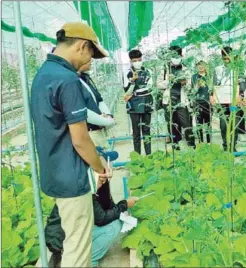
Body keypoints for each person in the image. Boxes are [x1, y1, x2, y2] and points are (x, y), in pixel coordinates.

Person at [30, 22, 111, 267]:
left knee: (68, 232)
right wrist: (99, 168)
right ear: (81, 45)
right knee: (77, 247)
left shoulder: (43, 74)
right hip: (71, 176)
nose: (90, 60)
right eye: (91, 54)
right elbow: (80, 138)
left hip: (53, 171)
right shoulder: (68, 79)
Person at [45, 167, 139, 267]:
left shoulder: (88, 187)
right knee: (114, 226)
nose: (106, 178)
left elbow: (108, 209)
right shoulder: (83, 191)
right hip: (61, 241)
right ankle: (91, 260)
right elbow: (102, 219)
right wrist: (124, 204)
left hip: (71, 232)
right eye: (102, 177)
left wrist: (122, 206)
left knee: (117, 218)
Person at [213, 46, 246, 151]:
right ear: (222, 58)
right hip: (222, 103)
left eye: (229, 58)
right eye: (225, 58)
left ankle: (233, 146)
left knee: (234, 124)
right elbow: (214, 85)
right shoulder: (217, 70)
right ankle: (226, 145)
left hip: (234, 103)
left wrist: (240, 95)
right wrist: (213, 96)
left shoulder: (239, 68)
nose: (227, 60)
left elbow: (243, 83)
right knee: (223, 124)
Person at [162, 46, 195, 149]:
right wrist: (169, 81)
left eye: (177, 55)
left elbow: (190, 86)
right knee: (172, 125)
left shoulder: (186, 68)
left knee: (186, 124)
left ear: (181, 56)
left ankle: (191, 146)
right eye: (173, 55)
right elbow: (158, 84)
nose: (175, 57)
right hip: (168, 101)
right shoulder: (164, 69)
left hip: (182, 100)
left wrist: (185, 83)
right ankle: (176, 147)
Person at [77, 61, 115, 148]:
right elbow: (80, 110)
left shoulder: (84, 78)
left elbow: (99, 99)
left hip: (98, 130)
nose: (91, 61)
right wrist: (106, 121)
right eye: (87, 58)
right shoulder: (71, 82)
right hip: (89, 133)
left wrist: (108, 116)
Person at [124, 49, 153, 155]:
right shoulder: (127, 73)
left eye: (139, 60)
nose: (137, 62)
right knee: (136, 132)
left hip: (147, 102)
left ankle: (149, 155)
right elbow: (127, 92)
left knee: (146, 130)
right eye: (134, 60)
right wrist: (132, 81)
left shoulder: (148, 71)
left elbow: (150, 87)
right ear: (131, 61)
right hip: (134, 104)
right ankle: (138, 156)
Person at [191, 59, 212, 143]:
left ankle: (209, 142)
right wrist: (197, 85)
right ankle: (201, 142)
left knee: (208, 123)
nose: (200, 66)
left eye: (202, 65)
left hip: (207, 102)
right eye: (198, 65)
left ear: (205, 66)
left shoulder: (209, 76)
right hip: (197, 102)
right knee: (199, 123)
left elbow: (212, 90)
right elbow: (192, 92)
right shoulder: (194, 76)